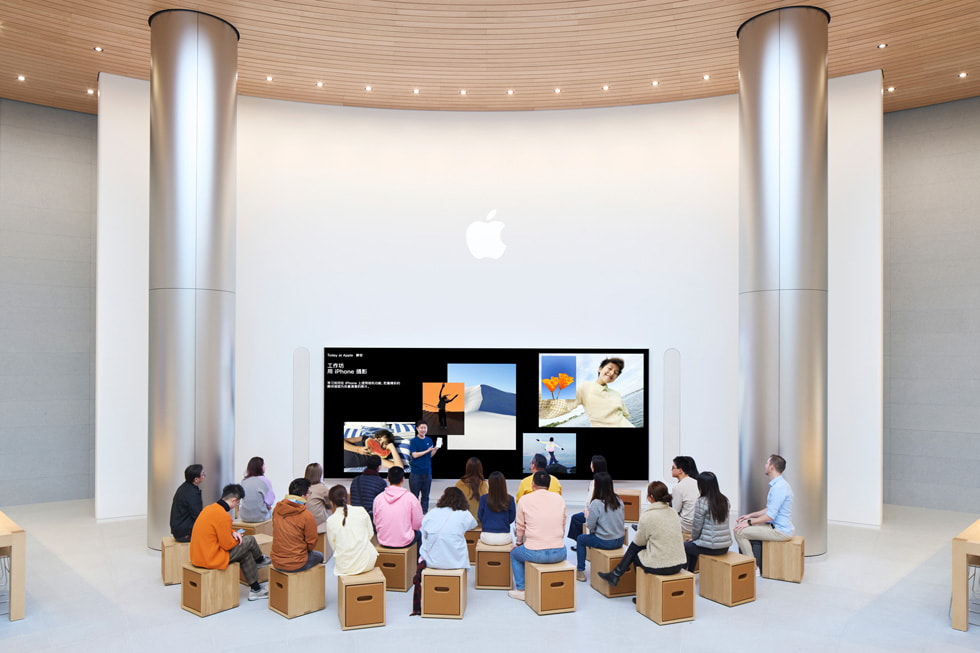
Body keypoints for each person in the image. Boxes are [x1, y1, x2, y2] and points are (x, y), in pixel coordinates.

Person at [598, 481, 686, 592]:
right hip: (679, 563)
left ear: (651, 497)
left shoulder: (648, 515)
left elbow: (638, 542)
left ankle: (640, 594)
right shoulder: (673, 512)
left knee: (634, 550)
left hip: (662, 566)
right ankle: (615, 575)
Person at [189, 483, 271, 601]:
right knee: (250, 540)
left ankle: (256, 589)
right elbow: (227, 545)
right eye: (238, 503)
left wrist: (233, 532)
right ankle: (260, 560)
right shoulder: (224, 516)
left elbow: (217, 528)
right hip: (210, 558)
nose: (237, 506)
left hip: (198, 556)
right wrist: (236, 539)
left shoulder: (210, 509)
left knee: (246, 553)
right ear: (234, 500)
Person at [409, 487, 477, 616]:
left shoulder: (432, 513)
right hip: (455, 562)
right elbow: (473, 525)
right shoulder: (464, 514)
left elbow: (423, 527)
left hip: (431, 561)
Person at [508, 471, 567, 601]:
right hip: (559, 552)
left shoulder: (524, 500)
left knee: (514, 554)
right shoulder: (559, 498)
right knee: (562, 549)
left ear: (533, 484)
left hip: (534, 552)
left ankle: (521, 589)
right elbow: (563, 522)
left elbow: (520, 526)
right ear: (549, 484)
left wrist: (518, 544)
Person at [734, 454, 794, 574]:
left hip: (780, 531)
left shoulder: (779, 488)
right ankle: (752, 563)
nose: (765, 465)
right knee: (741, 523)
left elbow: (770, 516)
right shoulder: (778, 485)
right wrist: (749, 516)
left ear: (771, 467)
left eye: (767, 463)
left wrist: (749, 523)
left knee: (739, 532)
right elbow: (769, 509)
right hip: (774, 526)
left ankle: (752, 567)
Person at [540, 357, 634, 428]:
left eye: (616, 372)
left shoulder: (616, 393)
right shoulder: (585, 387)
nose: (612, 373)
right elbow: (559, 403)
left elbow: (625, 415)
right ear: (600, 369)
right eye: (610, 368)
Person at [574, 472, 625, 582]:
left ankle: (580, 571)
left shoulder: (596, 503)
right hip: (620, 540)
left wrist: (588, 516)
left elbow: (589, 525)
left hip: (607, 541)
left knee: (580, 539)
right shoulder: (618, 500)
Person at [271, 477, 324, 572]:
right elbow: (311, 543)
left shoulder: (276, 509)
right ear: (304, 495)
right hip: (296, 563)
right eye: (309, 493)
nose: (309, 496)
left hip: (276, 561)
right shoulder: (306, 515)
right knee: (320, 556)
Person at [684, 471, 732, 572]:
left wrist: (694, 538)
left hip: (711, 548)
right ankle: (690, 573)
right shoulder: (725, 500)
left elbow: (697, 526)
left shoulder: (702, 501)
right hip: (725, 546)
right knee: (693, 544)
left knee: (686, 545)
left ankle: (688, 574)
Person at [325, 484, 378, 576]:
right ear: (346, 497)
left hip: (344, 567)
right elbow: (370, 534)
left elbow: (334, 546)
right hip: (367, 563)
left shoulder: (330, 521)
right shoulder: (361, 510)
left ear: (330, 501)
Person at [373, 466, 423, 550]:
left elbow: (376, 521)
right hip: (405, 541)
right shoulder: (411, 498)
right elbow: (417, 524)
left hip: (383, 540)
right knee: (419, 534)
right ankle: (416, 562)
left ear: (388, 479)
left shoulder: (378, 498)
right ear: (403, 479)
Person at [567, 455, 607, 549]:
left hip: (595, 514)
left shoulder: (595, 482)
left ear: (595, 466)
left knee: (575, 518)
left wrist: (586, 511)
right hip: (605, 512)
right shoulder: (607, 480)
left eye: (591, 464)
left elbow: (590, 502)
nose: (590, 466)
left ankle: (580, 543)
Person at [478, 471, 516, 545]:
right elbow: (512, 518)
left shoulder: (483, 498)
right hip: (504, 538)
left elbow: (480, 516)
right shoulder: (510, 499)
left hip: (486, 537)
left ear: (490, 484)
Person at [409, 419, 439, 512]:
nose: (423, 430)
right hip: (416, 473)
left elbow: (429, 456)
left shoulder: (429, 440)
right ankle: (414, 514)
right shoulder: (413, 441)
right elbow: (414, 455)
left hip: (427, 472)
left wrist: (435, 449)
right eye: (421, 428)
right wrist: (427, 450)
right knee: (414, 496)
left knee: (426, 496)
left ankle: (424, 514)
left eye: (425, 428)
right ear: (417, 428)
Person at [169, 463, 204, 542]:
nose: (204, 476)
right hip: (183, 533)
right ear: (196, 479)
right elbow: (197, 515)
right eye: (202, 474)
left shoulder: (185, 487)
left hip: (179, 528)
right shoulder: (191, 493)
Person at [350, 455, 387, 524]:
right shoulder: (381, 483)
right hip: (371, 520)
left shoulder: (356, 480)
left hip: (356, 519)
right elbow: (382, 505)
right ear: (379, 467)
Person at [671, 455, 700, 539]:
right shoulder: (697, 483)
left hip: (686, 526)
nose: (671, 469)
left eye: (673, 467)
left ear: (680, 470)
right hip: (698, 525)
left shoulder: (678, 487)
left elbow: (675, 512)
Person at [239, 456, 275, 522]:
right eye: (263, 464)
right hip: (260, 517)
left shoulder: (244, 481)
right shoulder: (265, 481)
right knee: (271, 511)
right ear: (260, 467)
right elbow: (270, 502)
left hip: (244, 517)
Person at [454, 457, 488, 524]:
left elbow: (455, 505)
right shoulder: (485, 484)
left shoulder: (460, 484)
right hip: (481, 525)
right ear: (480, 469)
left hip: (464, 524)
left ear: (467, 468)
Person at [303, 462, 331, 533]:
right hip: (318, 524)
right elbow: (330, 505)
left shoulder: (302, 487)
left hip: (303, 523)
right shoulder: (322, 488)